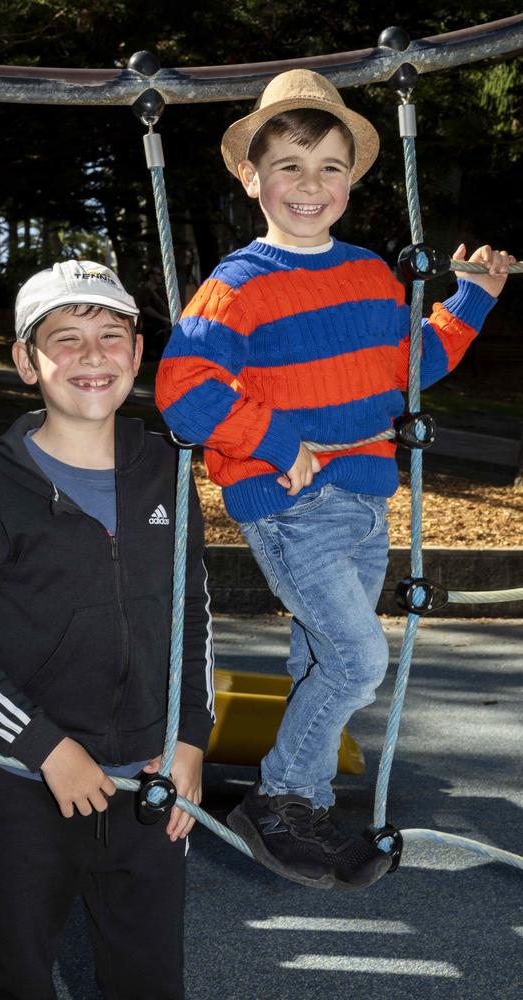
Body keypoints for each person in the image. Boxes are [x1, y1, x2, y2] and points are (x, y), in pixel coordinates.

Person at [155, 69, 514, 891]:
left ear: (352, 179)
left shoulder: (369, 275)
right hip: (291, 503)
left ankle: (305, 806)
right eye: (288, 165)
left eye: (328, 168)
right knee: (357, 661)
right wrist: (276, 441)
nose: (309, 185)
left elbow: (408, 371)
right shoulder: (239, 283)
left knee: (323, 655)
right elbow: (185, 386)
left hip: (362, 501)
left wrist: (474, 300)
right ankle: (277, 797)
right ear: (251, 177)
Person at [0, 259, 215, 999]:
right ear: (28, 361)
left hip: (145, 784)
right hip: (26, 787)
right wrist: (44, 748)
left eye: (110, 336)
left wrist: (187, 742)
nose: (92, 356)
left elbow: (194, 616)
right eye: (66, 338)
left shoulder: (166, 470)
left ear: (138, 353)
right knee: (14, 981)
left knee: (150, 981)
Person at [135, 265, 171, 360]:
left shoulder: (159, 291)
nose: (161, 276)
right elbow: (145, 308)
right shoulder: (144, 290)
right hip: (150, 330)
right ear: (151, 276)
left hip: (162, 329)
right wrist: (163, 318)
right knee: (152, 358)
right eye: (158, 274)